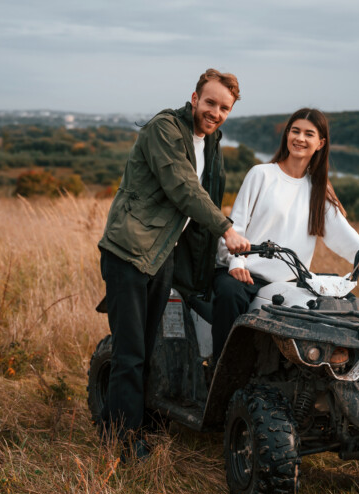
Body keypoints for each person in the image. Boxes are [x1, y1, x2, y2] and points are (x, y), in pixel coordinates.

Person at [98, 68, 250, 460]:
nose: (215, 112)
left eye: (224, 108)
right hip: (130, 251)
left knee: (150, 349)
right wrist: (226, 228)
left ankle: (137, 420)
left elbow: (208, 193)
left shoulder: (210, 142)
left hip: (163, 254)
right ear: (195, 97)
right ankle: (123, 441)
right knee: (129, 352)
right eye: (210, 102)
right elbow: (183, 187)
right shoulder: (165, 129)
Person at [211, 108, 359, 363]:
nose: (300, 138)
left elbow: (343, 235)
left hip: (289, 283)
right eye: (295, 131)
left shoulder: (319, 190)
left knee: (333, 311)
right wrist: (236, 263)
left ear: (320, 143)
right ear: (287, 135)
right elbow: (236, 226)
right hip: (243, 275)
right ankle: (222, 370)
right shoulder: (261, 174)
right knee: (229, 295)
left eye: (309, 134)